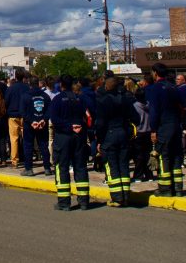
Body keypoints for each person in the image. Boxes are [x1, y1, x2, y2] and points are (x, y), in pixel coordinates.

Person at [49, 75, 90, 211]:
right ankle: (84, 201)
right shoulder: (80, 99)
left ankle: (64, 202)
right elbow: (87, 117)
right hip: (79, 136)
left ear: (61, 84)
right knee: (80, 167)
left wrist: (69, 127)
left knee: (62, 168)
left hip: (64, 137)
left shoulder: (58, 99)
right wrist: (78, 126)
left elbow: (54, 119)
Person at [146, 63, 185, 196]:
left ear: (155, 73)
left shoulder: (155, 88)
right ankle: (178, 188)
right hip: (175, 126)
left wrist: (153, 129)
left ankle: (165, 188)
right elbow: (182, 107)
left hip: (163, 126)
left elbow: (154, 111)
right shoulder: (174, 87)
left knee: (164, 157)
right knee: (176, 156)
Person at [95, 75, 134, 206]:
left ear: (106, 87)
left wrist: (99, 140)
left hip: (109, 135)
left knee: (112, 166)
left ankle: (117, 197)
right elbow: (135, 117)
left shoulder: (103, 101)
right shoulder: (125, 100)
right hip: (123, 133)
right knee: (123, 165)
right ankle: (126, 196)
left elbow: (100, 123)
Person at [21, 77, 52, 177]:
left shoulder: (25, 96)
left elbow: (22, 112)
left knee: (28, 146)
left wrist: (32, 121)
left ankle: (29, 169)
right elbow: (50, 110)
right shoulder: (45, 96)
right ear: (38, 84)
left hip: (29, 125)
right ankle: (47, 168)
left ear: (30, 84)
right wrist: (44, 120)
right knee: (43, 146)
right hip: (42, 124)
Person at [5, 69, 30, 169]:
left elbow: (6, 101)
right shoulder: (27, 87)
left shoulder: (11, 88)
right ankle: (27, 158)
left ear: (15, 76)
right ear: (24, 77)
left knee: (14, 138)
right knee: (26, 138)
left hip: (13, 115)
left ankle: (14, 161)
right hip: (25, 115)